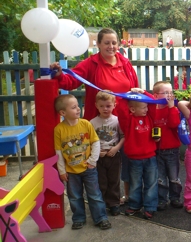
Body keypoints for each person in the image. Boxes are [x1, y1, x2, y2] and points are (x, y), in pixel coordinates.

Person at [50, 27, 139, 204]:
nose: (111, 46)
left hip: (124, 121)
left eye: (114, 42)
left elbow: (134, 89)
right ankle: (99, 201)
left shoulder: (125, 63)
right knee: (100, 163)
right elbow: (72, 81)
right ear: (98, 44)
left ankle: (127, 196)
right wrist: (60, 75)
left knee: (127, 160)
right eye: (106, 42)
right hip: (100, 124)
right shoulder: (91, 63)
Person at [54, 94, 112, 230]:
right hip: (71, 171)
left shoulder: (86, 124)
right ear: (63, 113)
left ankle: (101, 218)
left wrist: (93, 160)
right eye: (73, 107)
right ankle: (79, 218)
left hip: (88, 168)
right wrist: (62, 171)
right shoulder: (59, 130)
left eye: (78, 106)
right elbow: (58, 152)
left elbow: (96, 142)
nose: (78, 109)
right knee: (74, 197)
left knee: (95, 194)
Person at [117, 89, 158, 220]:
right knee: (135, 183)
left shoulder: (150, 117)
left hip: (150, 157)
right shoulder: (127, 121)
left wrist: (143, 92)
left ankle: (150, 206)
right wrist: (128, 95)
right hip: (134, 159)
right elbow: (121, 108)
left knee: (151, 183)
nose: (146, 109)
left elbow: (153, 102)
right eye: (143, 107)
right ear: (133, 109)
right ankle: (135, 205)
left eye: (146, 107)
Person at [90, 91, 124, 217]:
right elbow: (90, 141)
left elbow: (123, 136)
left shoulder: (117, 120)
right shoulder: (92, 122)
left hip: (114, 155)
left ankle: (114, 204)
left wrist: (116, 149)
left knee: (114, 181)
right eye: (102, 106)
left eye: (108, 106)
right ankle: (101, 204)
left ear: (114, 105)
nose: (105, 109)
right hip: (99, 156)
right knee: (101, 181)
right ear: (96, 106)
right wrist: (97, 152)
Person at [152, 81, 183, 211]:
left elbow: (174, 124)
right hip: (157, 151)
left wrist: (171, 107)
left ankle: (175, 197)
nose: (170, 95)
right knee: (160, 178)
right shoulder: (152, 109)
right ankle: (162, 199)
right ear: (155, 95)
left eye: (171, 92)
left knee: (173, 177)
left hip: (172, 150)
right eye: (166, 93)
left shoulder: (173, 109)